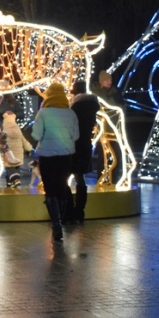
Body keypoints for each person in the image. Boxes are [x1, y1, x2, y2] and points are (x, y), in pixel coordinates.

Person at [31, 83, 79, 242]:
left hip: (47, 156)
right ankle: (61, 222)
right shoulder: (71, 113)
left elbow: (36, 136)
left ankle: (56, 224)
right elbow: (76, 136)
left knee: (50, 189)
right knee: (61, 187)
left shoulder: (43, 113)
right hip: (66, 155)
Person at [69, 81, 100, 224]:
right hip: (86, 144)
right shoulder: (92, 105)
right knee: (80, 177)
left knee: (65, 175)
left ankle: (69, 209)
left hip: (73, 144)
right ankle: (80, 210)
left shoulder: (75, 106)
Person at [90, 70, 126, 182]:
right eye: (107, 80)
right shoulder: (94, 93)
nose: (109, 82)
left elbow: (122, 106)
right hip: (101, 129)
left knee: (116, 154)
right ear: (101, 81)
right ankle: (102, 177)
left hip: (114, 129)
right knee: (103, 155)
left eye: (110, 79)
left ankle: (114, 178)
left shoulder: (115, 93)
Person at [0, 109, 31, 188]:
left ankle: (15, 180)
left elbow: (1, 144)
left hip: (8, 155)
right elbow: (24, 140)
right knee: (16, 169)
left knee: (10, 170)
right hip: (18, 155)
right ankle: (11, 184)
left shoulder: (4, 131)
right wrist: (29, 149)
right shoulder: (18, 130)